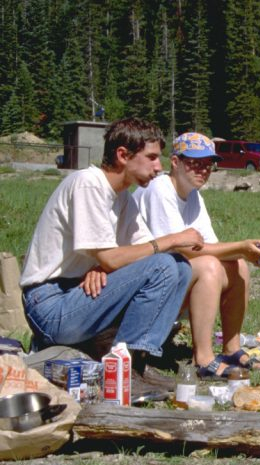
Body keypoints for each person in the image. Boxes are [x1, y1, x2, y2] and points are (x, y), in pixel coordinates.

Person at [20, 117, 202, 391]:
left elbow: (132, 253)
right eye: (151, 157)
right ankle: (121, 368)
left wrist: (103, 266)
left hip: (78, 291)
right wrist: (172, 239)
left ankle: (136, 361)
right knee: (165, 263)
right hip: (50, 304)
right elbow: (119, 257)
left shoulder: (122, 198)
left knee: (179, 266)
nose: (159, 167)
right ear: (122, 155)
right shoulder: (88, 184)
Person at [133, 132, 260, 380]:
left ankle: (231, 348)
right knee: (209, 266)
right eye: (195, 163)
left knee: (237, 265)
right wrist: (242, 246)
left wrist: (248, 252)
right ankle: (204, 358)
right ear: (175, 162)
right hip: (144, 288)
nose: (203, 170)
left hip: (171, 278)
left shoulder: (193, 196)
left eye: (208, 164)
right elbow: (186, 249)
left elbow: (211, 245)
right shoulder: (160, 190)